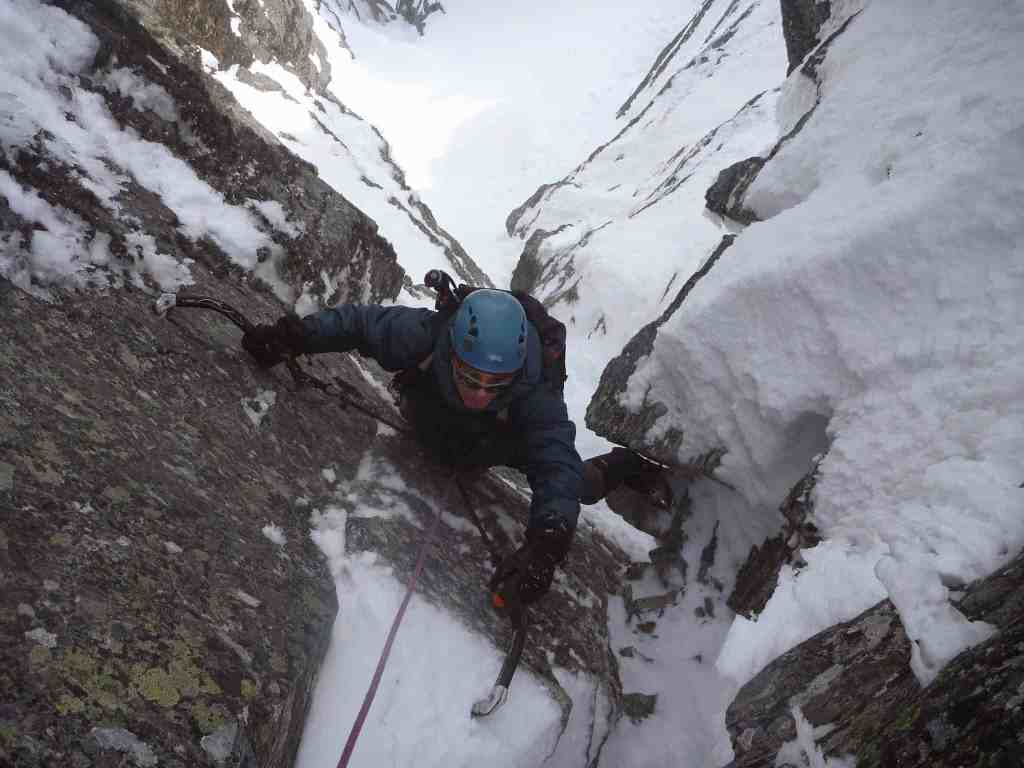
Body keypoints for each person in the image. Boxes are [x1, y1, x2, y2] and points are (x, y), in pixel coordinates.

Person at [242, 289, 670, 606]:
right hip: (432, 421)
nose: (481, 394)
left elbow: (554, 463)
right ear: (452, 351)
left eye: (495, 384)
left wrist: (546, 545)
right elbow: (360, 323)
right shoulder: (427, 336)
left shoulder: (535, 394)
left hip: (493, 445)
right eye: (471, 377)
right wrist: (293, 337)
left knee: (577, 482)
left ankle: (623, 466)